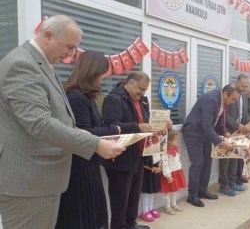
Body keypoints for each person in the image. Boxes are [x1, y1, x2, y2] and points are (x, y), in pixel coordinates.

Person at [0, 15, 124, 229]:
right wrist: (96, 144)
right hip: (28, 183)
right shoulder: (22, 64)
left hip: (43, 181)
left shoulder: (42, 64)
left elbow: (53, 116)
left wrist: (79, 132)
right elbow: (39, 123)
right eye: (69, 47)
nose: (71, 55)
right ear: (48, 35)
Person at [55, 51, 120, 229]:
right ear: (92, 72)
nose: (104, 77)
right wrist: (113, 131)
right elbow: (83, 133)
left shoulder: (87, 97)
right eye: (102, 73)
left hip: (89, 162)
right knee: (84, 216)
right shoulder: (76, 98)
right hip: (79, 168)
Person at [102, 71, 172, 229]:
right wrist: (137, 127)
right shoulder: (113, 99)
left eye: (145, 90)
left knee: (134, 194)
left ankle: (131, 223)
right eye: (140, 88)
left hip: (139, 155)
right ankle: (119, 226)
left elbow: (148, 123)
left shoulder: (143, 101)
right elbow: (110, 127)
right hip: (120, 157)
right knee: (120, 198)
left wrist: (163, 126)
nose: (142, 92)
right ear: (130, 83)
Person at [182, 83, 240, 207]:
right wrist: (220, 142)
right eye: (233, 98)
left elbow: (219, 120)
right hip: (193, 132)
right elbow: (207, 125)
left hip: (205, 133)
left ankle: (203, 190)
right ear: (225, 94)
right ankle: (192, 196)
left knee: (207, 161)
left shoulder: (223, 101)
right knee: (198, 163)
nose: (234, 102)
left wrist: (225, 132)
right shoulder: (210, 99)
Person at [218, 74, 250, 196]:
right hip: (228, 130)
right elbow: (225, 115)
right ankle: (224, 185)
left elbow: (244, 114)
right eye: (242, 85)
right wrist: (236, 125)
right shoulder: (230, 95)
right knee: (226, 159)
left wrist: (248, 125)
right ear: (236, 83)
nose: (244, 88)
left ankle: (232, 182)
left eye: (246, 86)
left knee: (235, 157)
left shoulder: (244, 97)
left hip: (239, 132)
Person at [160, 129, 187, 215]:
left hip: (177, 171)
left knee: (175, 190)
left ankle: (174, 204)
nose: (177, 141)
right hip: (170, 174)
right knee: (168, 191)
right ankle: (167, 207)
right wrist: (168, 176)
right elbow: (165, 164)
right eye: (175, 140)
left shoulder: (175, 149)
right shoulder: (165, 152)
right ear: (169, 141)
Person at [139, 154, 162, 223]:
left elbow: (160, 157)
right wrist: (151, 169)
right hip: (147, 172)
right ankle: (145, 211)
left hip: (155, 170)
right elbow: (141, 163)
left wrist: (159, 166)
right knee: (146, 191)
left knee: (153, 190)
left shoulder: (157, 148)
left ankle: (150, 208)